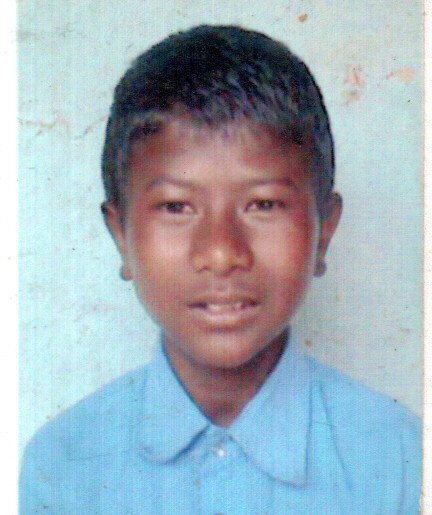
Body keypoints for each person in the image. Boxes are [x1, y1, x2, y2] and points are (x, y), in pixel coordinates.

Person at [20, 25, 421, 514]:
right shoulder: (62, 465)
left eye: (264, 204)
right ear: (121, 235)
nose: (221, 253)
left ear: (324, 231)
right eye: (176, 207)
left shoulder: (401, 459)